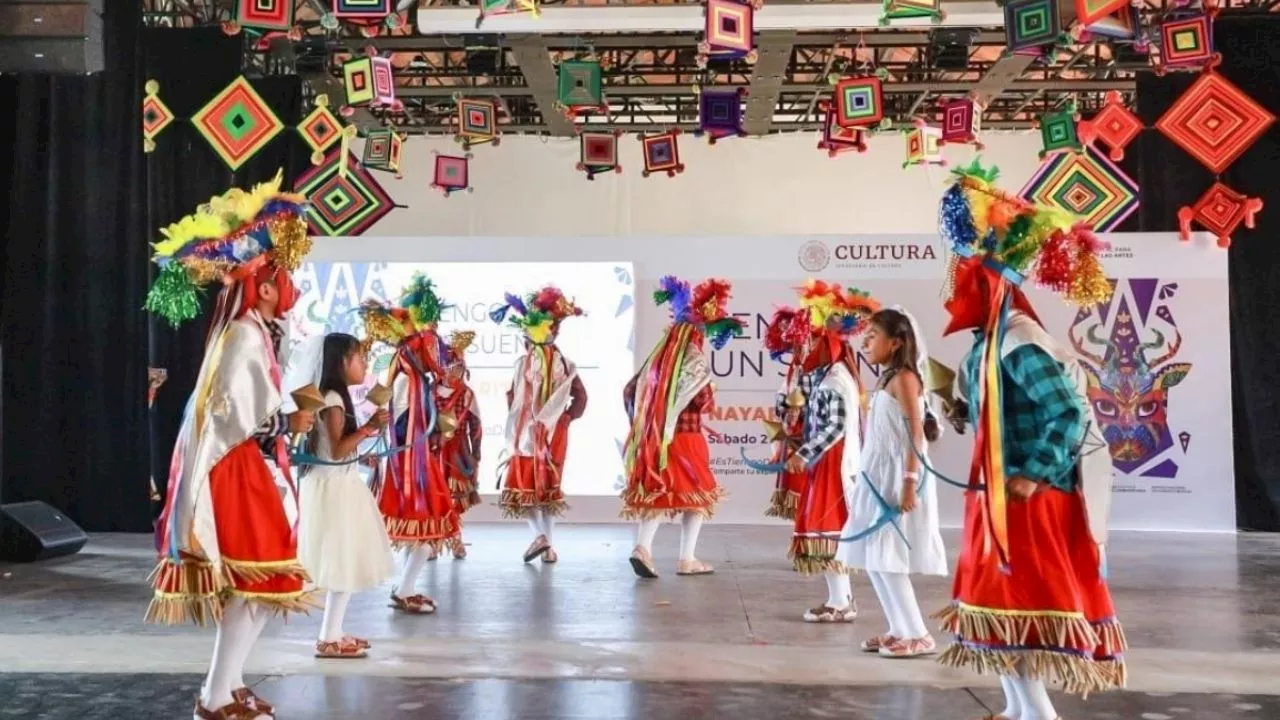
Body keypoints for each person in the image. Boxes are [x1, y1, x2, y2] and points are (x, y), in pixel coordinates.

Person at [934, 159, 1125, 718]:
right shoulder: (987, 345)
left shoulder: (1018, 339)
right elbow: (995, 413)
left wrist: (1032, 471)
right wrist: (957, 407)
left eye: (967, 279)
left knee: (1015, 602)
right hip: (997, 493)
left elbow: (1064, 414)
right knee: (997, 603)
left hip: (1025, 497)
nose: (956, 289)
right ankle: (1022, 711)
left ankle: (1037, 713)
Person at [144, 172, 316, 719]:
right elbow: (241, 416)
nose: (292, 285)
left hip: (239, 464)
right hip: (233, 468)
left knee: (266, 579)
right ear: (262, 286)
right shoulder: (243, 333)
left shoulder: (251, 331)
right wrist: (293, 423)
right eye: (284, 276)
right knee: (258, 577)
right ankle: (216, 696)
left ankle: (229, 685)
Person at [621, 276, 744, 578]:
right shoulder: (695, 360)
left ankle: (642, 547)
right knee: (697, 497)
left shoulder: (656, 361)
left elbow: (629, 391)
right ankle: (686, 559)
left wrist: (645, 423)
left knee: (659, 491)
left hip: (656, 440)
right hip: (687, 438)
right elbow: (702, 399)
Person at [848, 307, 948, 657]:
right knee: (875, 558)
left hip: (897, 478)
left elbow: (915, 435)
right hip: (877, 475)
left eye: (873, 335)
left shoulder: (905, 378)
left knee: (888, 557)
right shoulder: (885, 378)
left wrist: (908, 482)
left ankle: (919, 634)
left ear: (896, 342)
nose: (865, 340)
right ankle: (898, 628)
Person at [289, 332, 396, 659]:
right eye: (359, 357)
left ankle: (332, 633)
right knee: (341, 561)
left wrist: (362, 449)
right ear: (341, 362)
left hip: (332, 485)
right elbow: (336, 450)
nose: (364, 363)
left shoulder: (332, 396)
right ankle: (329, 637)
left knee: (341, 563)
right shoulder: (334, 400)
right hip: (334, 490)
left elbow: (330, 447)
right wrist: (368, 430)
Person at [359, 274, 461, 614]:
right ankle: (404, 588)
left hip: (404, 460)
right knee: (428, 523)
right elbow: (404, 416)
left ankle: (404, 586)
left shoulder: (399, 367)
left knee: (419, 528)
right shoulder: (412, 372)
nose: (437, 349)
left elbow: (382, 403)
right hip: (409, 464)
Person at [782, 280, 878, 622]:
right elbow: (799, 394)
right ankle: (841, 600)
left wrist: (805, 453)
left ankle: (841, 602)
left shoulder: (836, 380)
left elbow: (835, 427)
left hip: (832, 462)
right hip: (825, 460)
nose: (806, 349)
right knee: (827, 528)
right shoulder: (827, 376)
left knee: (829, 528)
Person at [491, 286, 588, 563]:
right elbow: (580, 397)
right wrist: (565, 419)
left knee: (524, 490)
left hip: (530, 437)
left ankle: (540, 537)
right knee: (546, 492)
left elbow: (514, 399)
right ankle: (549, 549)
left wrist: (564, 417)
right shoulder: (561, 364)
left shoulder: (535, 364)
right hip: (551, 435)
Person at [437, 330, 483, 559]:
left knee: (454, 497)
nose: (457, 372)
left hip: (457, 450)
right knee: (434, 495)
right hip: (434, 450)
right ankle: (433, 540)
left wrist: (476, 454)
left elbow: (476, 425)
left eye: (461, 368)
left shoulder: (467, 394)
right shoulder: (430, 391)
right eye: (454, 367)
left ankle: (455, 538)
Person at [762, 306, 806, 521]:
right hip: (793, 430)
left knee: (805, 484)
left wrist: (796, 407)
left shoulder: (810, 364)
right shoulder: (796, 365)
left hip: (806, 432)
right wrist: (784, 405)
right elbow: (786, 393)